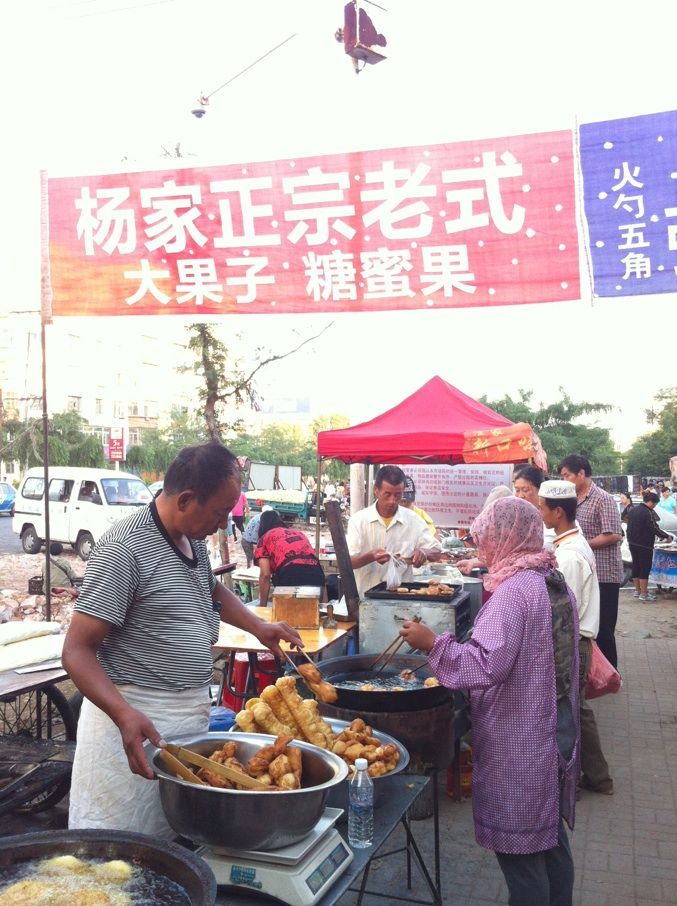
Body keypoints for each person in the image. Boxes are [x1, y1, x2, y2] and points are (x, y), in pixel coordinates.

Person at [62, 441, 303, 837]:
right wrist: (123, 715)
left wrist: (260, 628)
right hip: (131, 723)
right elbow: (76, 651)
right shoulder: (124, 549)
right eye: (221, 511)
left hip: (183, 721)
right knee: (121, 850)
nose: (225, 523)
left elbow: (211, 591)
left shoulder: (189, 538)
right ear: (187, 499)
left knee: (173, 844)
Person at [400, 497, 579, 906]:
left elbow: (484, 665)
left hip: (524, 738)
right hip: (555, 726)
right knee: (549, 838)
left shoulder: (516, 592)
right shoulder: (550, 579)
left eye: (486, 539)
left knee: (522, 855)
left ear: (506, 537)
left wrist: (434, 644)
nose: (482, 548)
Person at [539, 479, 613, 796]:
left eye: (541, 507)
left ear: (557, 512)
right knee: (577, 711)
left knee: (567, 714)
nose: (539, 512)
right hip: (576, 641)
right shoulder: (569, 542)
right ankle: (597, 777)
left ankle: (573, 780)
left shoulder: (569, 555)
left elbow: (560, 615)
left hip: (571, 644)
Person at [558, 454, 624, 669]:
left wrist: (581, 544)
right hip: (585, 572)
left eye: (566, 475)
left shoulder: (602, 498)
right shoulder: (573, 499)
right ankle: (593, 673)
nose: (564, 480)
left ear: (582, 473)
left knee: (603, 627)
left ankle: (611, 674)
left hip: (605, 573)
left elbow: (614, 534)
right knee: (587, 626)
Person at [346, 465, 442, 598]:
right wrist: (371, 556)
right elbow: (348, 563)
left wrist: (424, 552)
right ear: (376, 490)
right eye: (387, 494)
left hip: (402, 601)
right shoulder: (358, 520)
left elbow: (437, 552)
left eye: (398, 495)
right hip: (365, 598)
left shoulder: (413, 520)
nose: (392, 501)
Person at [254, 509, 326, 605]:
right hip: (316, 573)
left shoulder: (265, 538)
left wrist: (262, 606)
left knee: (289, 615)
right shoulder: (298, 533)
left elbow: (265, 574)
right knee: (312, 614)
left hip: (291, 574)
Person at [626, 491, 672, 601]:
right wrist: (666, 536)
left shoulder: (633, 510)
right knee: (645, 568)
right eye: (655, 504)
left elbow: (628, 525)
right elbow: (653, 528)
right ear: (651, 502)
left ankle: (637, 591)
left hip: (632, 542)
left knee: (636, 566)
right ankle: (644, 594)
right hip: (644, 544)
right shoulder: (647, 512)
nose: (655, 506)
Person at [241, 505, 273, 569]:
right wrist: (256, 553)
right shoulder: (259, 520)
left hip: (251, 541)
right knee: (252, 561)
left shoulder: (261, 517)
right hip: (248, 542)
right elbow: (254, 540)